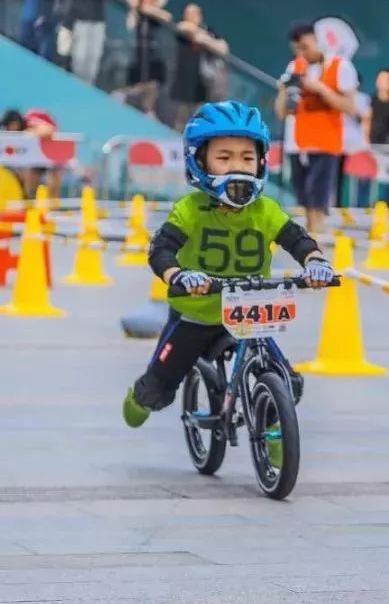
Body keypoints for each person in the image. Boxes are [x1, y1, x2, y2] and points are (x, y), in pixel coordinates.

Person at [121, 102, 336, 460]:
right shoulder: (189, 210)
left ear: (262, 163)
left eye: (247, 159)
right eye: (224, 157)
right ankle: (142, 396)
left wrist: (315, 263)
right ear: (199, 161)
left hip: (251, 314)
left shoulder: (265, 210)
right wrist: (178, 275)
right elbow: (162, 249)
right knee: (158, 386)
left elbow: (296, 239)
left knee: (287, 381)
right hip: (196, 314)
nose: (238, 167)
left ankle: (275, 437)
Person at [274, 23, 358, 235]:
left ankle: (317, 238)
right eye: (297, 49)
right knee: (303, 196)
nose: (302, 53)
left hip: (325, 142)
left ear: (319, 41)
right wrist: (283, 91)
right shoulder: (294, 67)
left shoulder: (341, 66)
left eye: (305, 47)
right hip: (297, 142)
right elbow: (281, 113)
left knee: (318, 196)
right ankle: (311, 236)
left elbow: (350, 107)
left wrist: (320, 89)